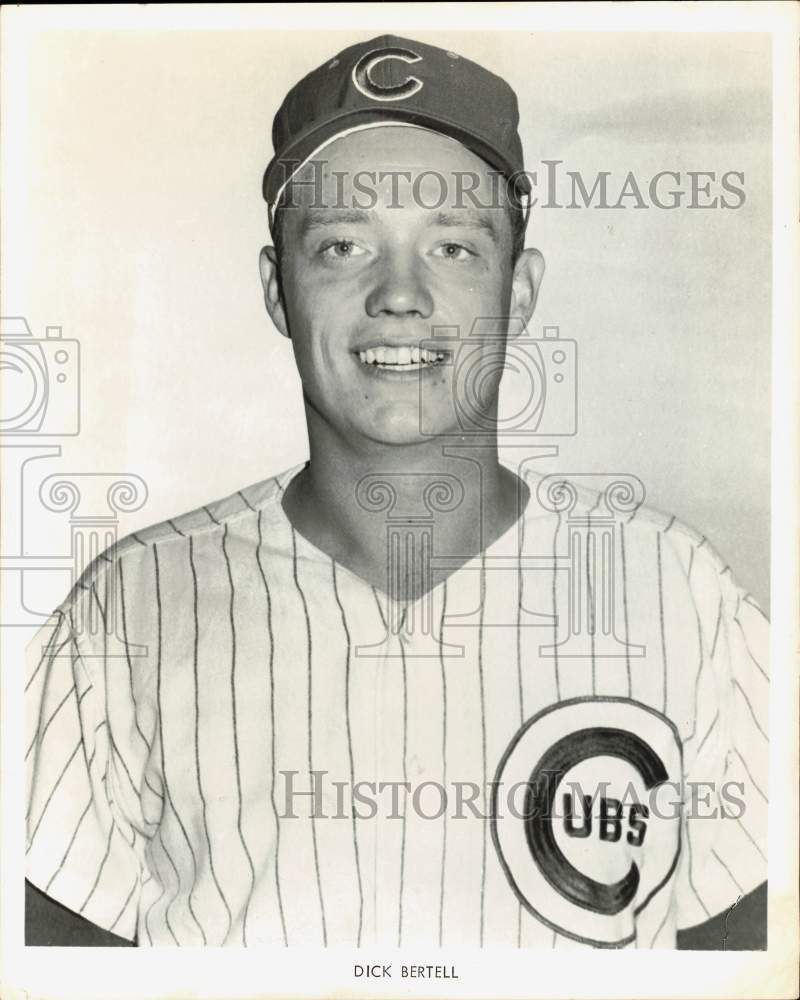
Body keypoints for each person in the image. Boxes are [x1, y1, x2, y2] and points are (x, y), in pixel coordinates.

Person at [25, 34, 767, 949]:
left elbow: (754, 969)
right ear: (276, 290)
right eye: (341, 245)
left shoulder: (682, 595)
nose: (400, 294)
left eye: (454, 246)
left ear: (521, 291)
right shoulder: (128, 607)